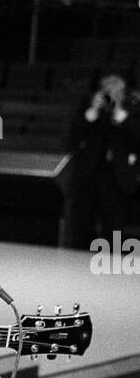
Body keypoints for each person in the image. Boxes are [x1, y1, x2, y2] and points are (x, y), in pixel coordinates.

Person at [65, 69, 140, 249]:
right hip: (90, 173)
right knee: (82, 223)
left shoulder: (132, 109)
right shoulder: (89, 106)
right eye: (108, 92)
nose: (112, 96)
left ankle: (109, 265)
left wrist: (120, 116)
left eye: (116, 92)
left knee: (113, 226)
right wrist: (91, 113)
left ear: (123, 94)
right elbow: (70, 139)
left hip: (116, 175)